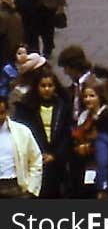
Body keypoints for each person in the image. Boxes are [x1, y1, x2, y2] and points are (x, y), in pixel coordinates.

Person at [14, 67, 73, 198]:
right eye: (43, 86)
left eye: (50, 86)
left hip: (56, 161)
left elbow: (66, 134)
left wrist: (55, 155)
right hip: (35, 159)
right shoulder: (26, 108)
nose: (47, 89)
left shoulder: (62, 106)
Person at [70, 76, 108, 198]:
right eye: (85, 96)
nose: (88, 99)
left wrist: (89, 146)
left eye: (92, 96)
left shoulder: (107, 115)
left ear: (100, 97)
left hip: (102, 165)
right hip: (85, 165)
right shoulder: (83, 116)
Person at [0, 91, 42, 197]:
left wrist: (31, 189)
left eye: (1, 113)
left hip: (16, 185)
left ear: (6, 112)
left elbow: (36, 161)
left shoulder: (22, 131)